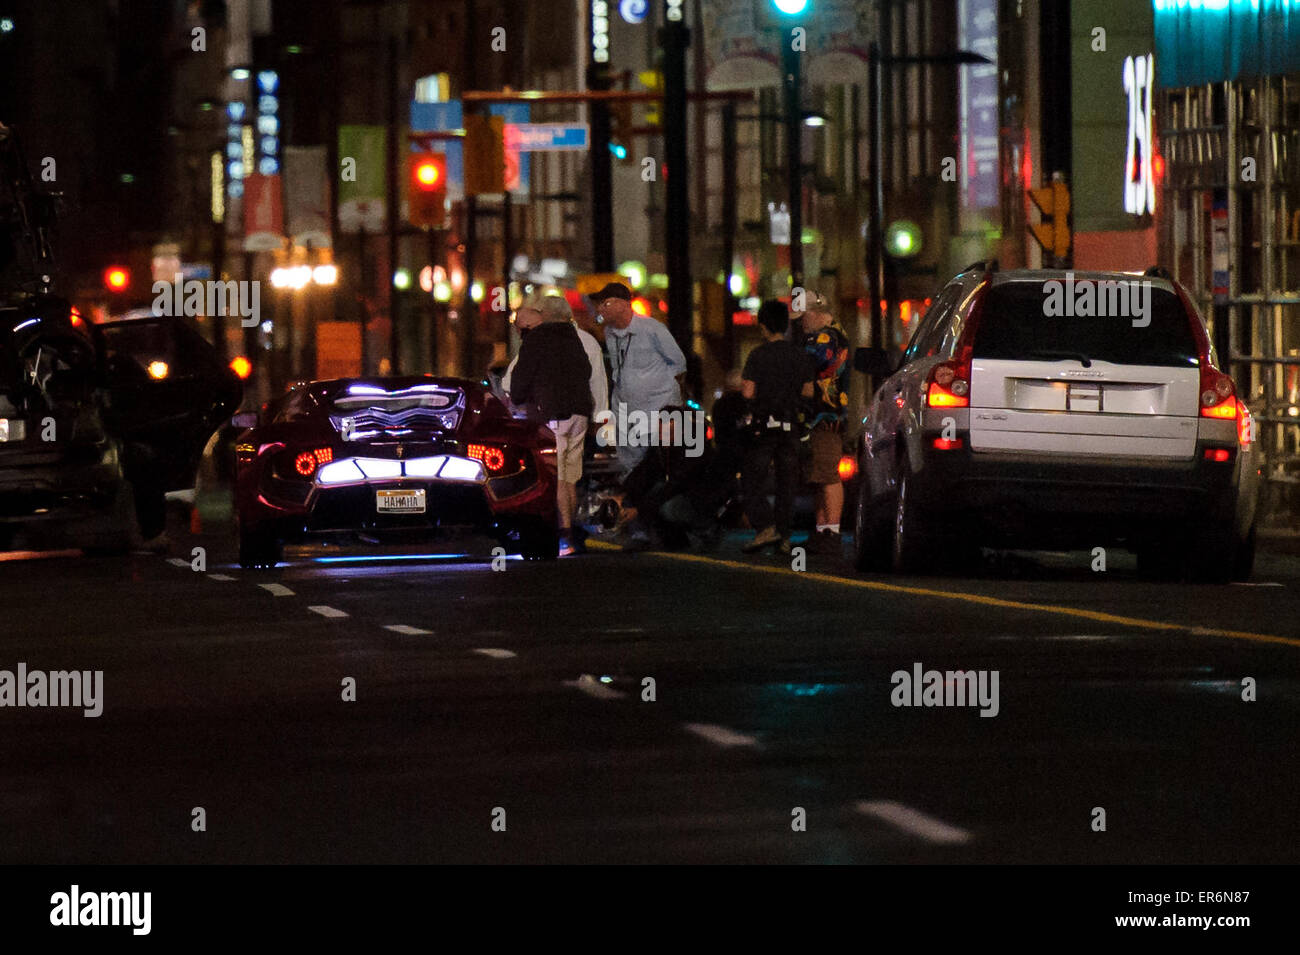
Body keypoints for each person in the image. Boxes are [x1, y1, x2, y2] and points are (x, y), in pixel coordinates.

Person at [508, 293, 593, 557]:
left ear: (543, 315)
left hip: (552, 413)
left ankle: (563, 535)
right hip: (580, 413)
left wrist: (519, 398)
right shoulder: (574, 339)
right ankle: (573, 535)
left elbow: (519, 383)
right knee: (569, 477)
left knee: (555, 477)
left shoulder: (537, 340)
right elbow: (586, 372)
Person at [740, 300, 815, 555]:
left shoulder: (758, 355)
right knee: (787, 484)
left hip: (764, 425)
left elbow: (748, 391)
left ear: (763, 326)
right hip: (791, 424)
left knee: (752, 478)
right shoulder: (800, 355)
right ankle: (784, 536)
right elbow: (808, 390)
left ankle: (765, 527)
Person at [592, 281, 687, 477]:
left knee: (659, 460)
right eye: (600, 304)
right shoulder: (609, 333)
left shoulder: (652, 329)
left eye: (606, 303)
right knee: (630, 460)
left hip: (656, 408)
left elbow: (678, 363)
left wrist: (662, 391)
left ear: (623, 304)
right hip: (626, 408)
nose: (601, 309)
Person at [795, 291, 851, 554]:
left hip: (825, 416)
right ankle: (822, 529)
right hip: (825, 415)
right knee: (820, 474)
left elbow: (805, 368)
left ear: (814, 313)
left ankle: (832, 530)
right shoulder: (836, 335)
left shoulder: (825, 338)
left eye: (803, 317)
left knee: (828, 474)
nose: (801, 323)